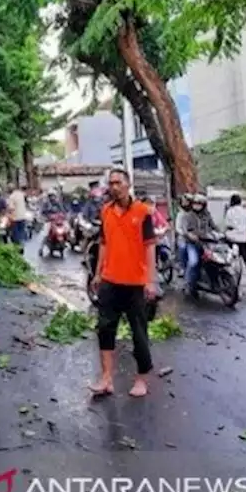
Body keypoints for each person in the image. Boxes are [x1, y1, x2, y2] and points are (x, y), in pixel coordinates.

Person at [89, 167, 158, 399]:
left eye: (118, 182)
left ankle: (141, 380)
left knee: (139, 332)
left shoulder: (143, 212)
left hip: (135, 284)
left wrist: (150, 281)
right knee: (105, 329)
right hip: (110, 281)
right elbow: (104, 244)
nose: (114, 186)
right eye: (111, 183)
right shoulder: (105, 211)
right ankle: (106, 378)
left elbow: (150, 248)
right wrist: (98, 273)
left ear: (128, 185)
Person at [178, 193, 214, 298]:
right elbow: (184, 230)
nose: (197, 206)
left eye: (199, 204)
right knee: (193, 262)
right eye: (195, 203)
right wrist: (191, 235)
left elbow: (214, 226)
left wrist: (221, 234)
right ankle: (188, 283)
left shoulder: (207, 215)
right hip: (192, 243)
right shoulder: (187, 215)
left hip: (206, 243)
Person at [224, 193, 246, 286]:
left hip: (231, 238)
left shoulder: (229, 211)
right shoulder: (245, 211)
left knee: (231, 257)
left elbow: (227, 225)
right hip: (242, 239)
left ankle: (231, 276)